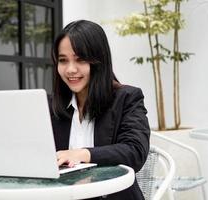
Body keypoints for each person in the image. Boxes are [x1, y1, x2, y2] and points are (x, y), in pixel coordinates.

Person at [49, 20, 150, 200]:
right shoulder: (52, 106)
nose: (70, 69)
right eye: (63, 60)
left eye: (80, 59)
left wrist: (82, 154)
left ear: (98, 60)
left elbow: (134, 151)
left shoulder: (127, 98)